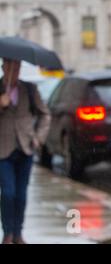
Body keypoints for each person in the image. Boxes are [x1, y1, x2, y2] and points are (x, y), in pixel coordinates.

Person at [0, 59, 51, 244]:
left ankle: (18, 232)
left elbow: (44, 114)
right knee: (7, 193)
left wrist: (39, 137)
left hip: (26, 148)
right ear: (3, 67)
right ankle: (7, 233)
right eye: (11, 66)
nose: (14, 70)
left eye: (18, 66)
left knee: (21, 195)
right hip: (3, 151)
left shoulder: (29, 89)